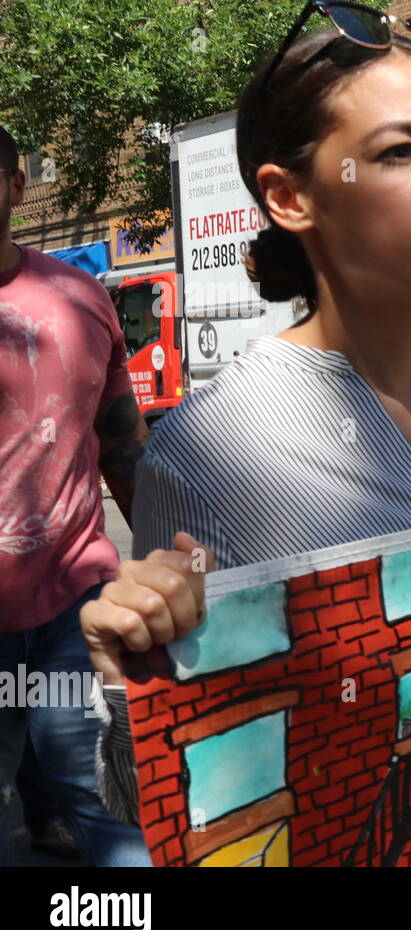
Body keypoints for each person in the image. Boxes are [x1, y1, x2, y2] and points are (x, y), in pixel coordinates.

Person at [78, 10, 411, 823]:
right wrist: (130, 684)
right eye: (402, 152)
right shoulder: (208, 454)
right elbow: (162, 803)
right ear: (289, 197)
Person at [0, 125, 152, 866]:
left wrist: (162, 564)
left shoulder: (79, 297)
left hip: (73, 607)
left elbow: (122, 443)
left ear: (15, 183)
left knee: (110, 808)